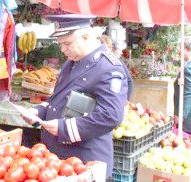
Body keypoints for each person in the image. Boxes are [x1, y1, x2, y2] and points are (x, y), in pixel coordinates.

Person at [23, 15, 127, 178]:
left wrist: (64, 128)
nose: (63, 49)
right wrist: (38, 112)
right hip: (59, 157)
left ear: (85, 37)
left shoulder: (109, 67)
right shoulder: (72, 62)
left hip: (84, 159)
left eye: (67, 43)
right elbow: (59, 99)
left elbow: (110, 116)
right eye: (61, 44)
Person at [98, 35, 134, 100]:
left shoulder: (119, 63)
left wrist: (126, 100)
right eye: (119, 50)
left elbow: (129, 82)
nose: (121, 53)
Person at [174, 36, 191, 134]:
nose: (179, 50)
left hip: (187, 116)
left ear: (189, 50)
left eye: (182, 48)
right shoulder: (186, 65)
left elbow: (188, 94)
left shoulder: (187, 68)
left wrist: (180, 115)